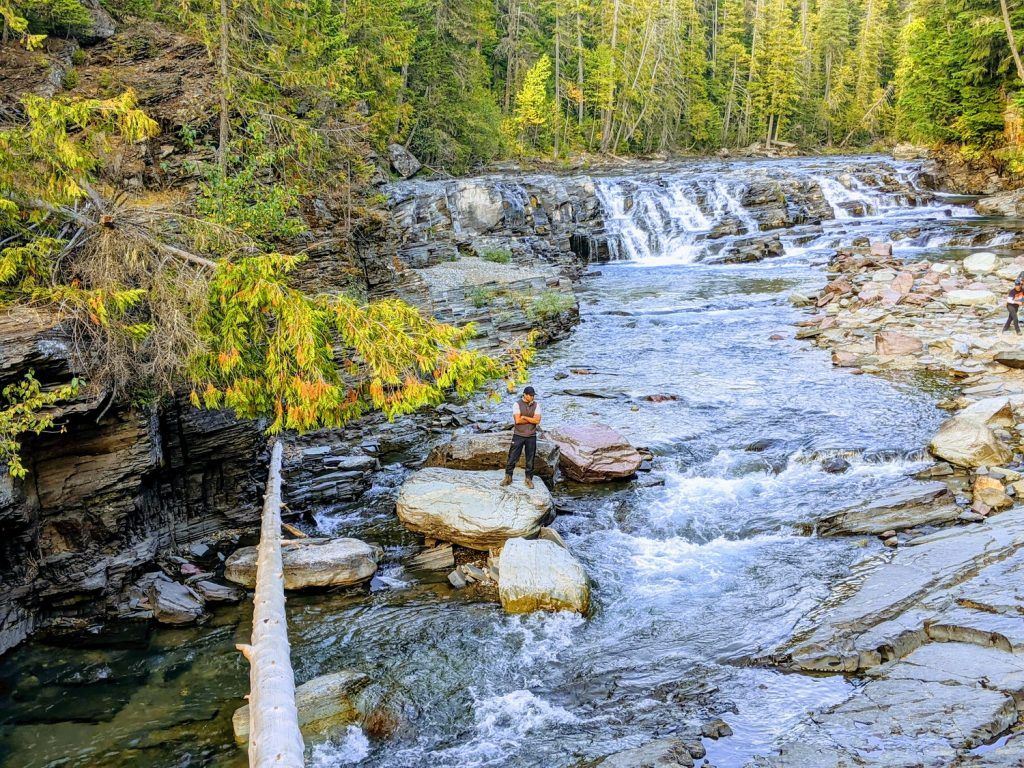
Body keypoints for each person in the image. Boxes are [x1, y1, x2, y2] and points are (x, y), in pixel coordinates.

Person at [501, 386, 541, 489]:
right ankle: (508, 477)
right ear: (525, 394)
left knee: (530, 459)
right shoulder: (517, 404)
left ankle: (528, 479)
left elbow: (537, 421)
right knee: (512, 457)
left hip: (531, 436)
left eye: (533, 395)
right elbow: (517, 421)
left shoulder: (537, 405)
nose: (532, 397)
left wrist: (524, 417)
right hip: (518, 435)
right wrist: (530, 419)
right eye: (531, 395)